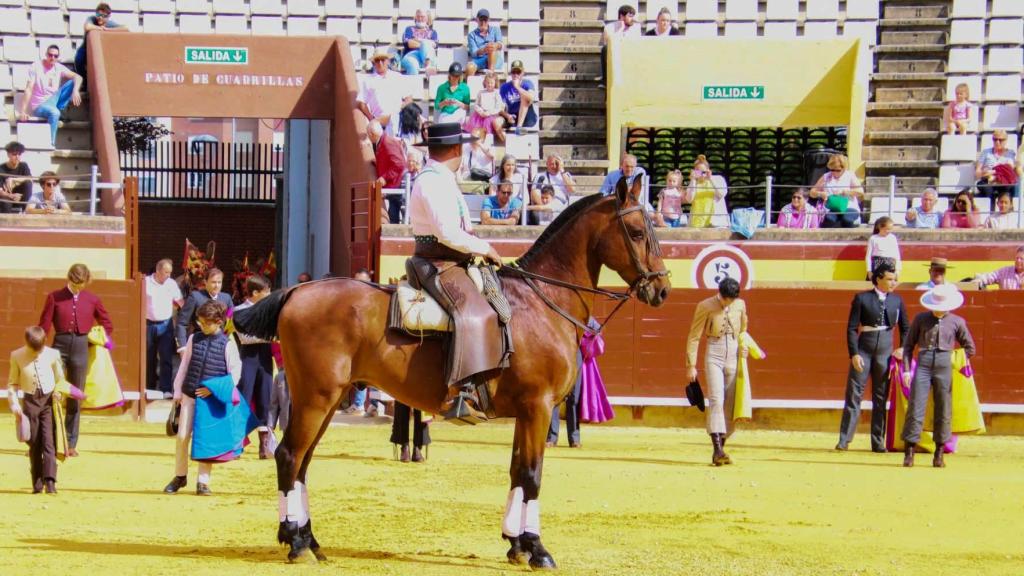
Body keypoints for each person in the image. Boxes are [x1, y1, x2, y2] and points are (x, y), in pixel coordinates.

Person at [407, 122, 503, 423]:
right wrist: (483, 247)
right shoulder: (433, 181)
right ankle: (459, 392)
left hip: (449, 262)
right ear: (456, 150)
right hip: (438, 263)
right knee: (476, 311)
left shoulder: (440, 179)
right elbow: (447, 232)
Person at [164, 301, 246, 496]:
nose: (202, 326)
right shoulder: (194, 338)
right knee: (182, 437)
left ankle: (203, 482)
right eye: (200, 322)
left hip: (210, 400)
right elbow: (184, 366)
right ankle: (180, 475)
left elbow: (235, 373)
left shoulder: (227, 344)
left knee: (205, 440)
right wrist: (177, 392)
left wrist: (214, 390)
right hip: (189, 393)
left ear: (218, 322)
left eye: (206, 323)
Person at [38, 263, 113, 456]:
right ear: (69, 278)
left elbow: (107, 323)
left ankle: (70, 443)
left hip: (81, 347)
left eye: (82, 284)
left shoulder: (92, 299)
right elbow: (44, 325)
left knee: (75, 397)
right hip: (58, 347)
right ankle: (51, 442)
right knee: (53, 394)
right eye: (75, 283)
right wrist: (38, 348)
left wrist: (98, 339)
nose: (79, 288)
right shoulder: (55, 297)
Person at [836, 262, 908, 453]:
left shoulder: (897, 301)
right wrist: (854, 353)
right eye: (890, 279)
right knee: (854, 394)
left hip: (885, 351)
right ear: (878, 279)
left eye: (895, 279)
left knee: (880, 397)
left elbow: (906, 329)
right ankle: (844, 440)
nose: (894, 283)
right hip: (864, 350)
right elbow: (852, 328)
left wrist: (902, 348)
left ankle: (878, 442)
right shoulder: (861, 298)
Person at [901, 284, 976, 468]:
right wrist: (906, 370)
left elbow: (970, 348)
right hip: (924, 364)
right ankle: (909, 452)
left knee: (943, 409)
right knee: (916, 406)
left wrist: (954, 359)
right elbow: (908, 346)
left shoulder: (957, 321)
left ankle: (939, 453)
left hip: (944, 365)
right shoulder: (920, 319)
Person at [686, 278, 748, 466]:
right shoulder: (705, 305)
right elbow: (694, 336)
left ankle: (722, 446)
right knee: (716, 399)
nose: (727, 303)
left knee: (730, 402)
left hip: (734, 354)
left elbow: (743, 330)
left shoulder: (740, 304)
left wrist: (744, 347)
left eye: (731, 300)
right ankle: (717, 450)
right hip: (714, 352)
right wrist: (691, 365)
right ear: (719, 293)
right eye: (725, 299)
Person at [7, 326, 65, 494]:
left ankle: (50, 481)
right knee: (34, 443)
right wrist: (15, 405)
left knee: (48, 442)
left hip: (47, 402)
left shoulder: (53, 354)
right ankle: (37, 483)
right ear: (27, 343)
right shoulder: (17, 355)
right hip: (30, 402)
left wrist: (58, 392)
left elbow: (60, 379)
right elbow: (12, 383)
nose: (38, 353)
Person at [234, 275, 275, 459]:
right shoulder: (239, 311)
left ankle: (264, 444)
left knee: (265, 399)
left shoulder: (269, 311)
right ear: (255, 293)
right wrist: (272, 337)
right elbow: (245, 338)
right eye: (267, 291)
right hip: (247, 359)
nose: (269, 294)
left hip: (265, 358)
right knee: (244, 397)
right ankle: (236, 443)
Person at [18, 44, 83, 146]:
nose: (52, 58)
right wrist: (23, 111)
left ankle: (59, 110)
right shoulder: (36, 66)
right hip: (40, 105)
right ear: (46, 54)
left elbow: (78, 77)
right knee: (54, 113)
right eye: (50, 55)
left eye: (55, 56)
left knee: (72, 82)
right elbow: (29, 88)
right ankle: (50, 142)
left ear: (58, 57)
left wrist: (75, 91)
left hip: (54, 100)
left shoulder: (59, 67)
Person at [146, 258, 184, 398]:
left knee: (166, 357)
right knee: (149, 357)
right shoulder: (145, 283)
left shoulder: (172, 284)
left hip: (166, 324)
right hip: (148, 324)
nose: (168, 275)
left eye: (170, 273)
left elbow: (181, 302)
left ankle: (166, 389)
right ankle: (149, 387)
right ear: (157, 271)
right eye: (166, 272)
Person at [357, 48, 414, 136]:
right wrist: (371, 119)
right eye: (377, 60)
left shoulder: (398, 77)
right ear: (374, 63)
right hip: (379, 122)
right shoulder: (368, 80)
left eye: (382, 60)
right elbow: (361, 103)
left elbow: (409, 98)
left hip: (396, 119)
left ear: (388, 61)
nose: (380, 63)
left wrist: (398, 109)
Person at [176, 268, 234, 353]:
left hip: (220, 344)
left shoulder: (226, 298)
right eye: (213, 282)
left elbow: (231, 322)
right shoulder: (195, 297)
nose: (217, 285)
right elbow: (181, 323)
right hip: (199, 342)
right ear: (205, 282)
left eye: (219, 282)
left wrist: (226, 338)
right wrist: (182, 347)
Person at [75, 3, 127, 91]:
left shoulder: (109, 24)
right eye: (98, 15)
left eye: (104, 16)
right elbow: (87, 26)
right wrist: (100, 28)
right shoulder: (92, 19)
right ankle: (84, 81)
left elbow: (126, 28)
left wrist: (108, 30)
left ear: (108, 17)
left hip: (102, 51)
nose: (100, 17)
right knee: (78, 59)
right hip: (85, 48)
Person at [811, 154, 864, 228]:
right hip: (832, 208)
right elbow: (812, 192)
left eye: (838, 170)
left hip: (849, 206)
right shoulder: (826, 176)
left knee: (847, 219)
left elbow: (860, 191)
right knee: (829, 219)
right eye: (832, 170)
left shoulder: (850, 175)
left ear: (844, 168)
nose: (834, 172)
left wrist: (844, 192)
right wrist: (820, 194)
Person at [599, 4, 640, 86]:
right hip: (615, 55)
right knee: (605, 49)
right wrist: (620, 30)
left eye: (633, 16)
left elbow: (636, 44)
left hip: (629, 54)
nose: (632, 19)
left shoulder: (636, 27)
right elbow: (609, 43)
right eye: (630, 16)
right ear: (622, 16)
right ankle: (606, 81)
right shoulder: (609, 27)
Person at [685, 155, 729, 229]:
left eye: (704, 172)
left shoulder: (718, 179)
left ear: (708, 170)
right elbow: (689, 199)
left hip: (716, 223)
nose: (701, 174)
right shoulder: (693, 183)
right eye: (698, 172)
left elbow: (721, 194)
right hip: (697, 223)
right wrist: (693, 180)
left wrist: (710, 179)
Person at [976, 128, 1016, 202]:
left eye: (1001, 140)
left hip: (1003, 181)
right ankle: (990, 209)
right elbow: (978, 172)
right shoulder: (986, 152)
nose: (997, 142)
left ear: (1006, 140)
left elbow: (1010, 170)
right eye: (995, 139)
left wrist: (993, 172)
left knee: (1008, 187)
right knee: (985, 188)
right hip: (987, 180)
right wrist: (983, 173)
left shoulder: (1010, 153)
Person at [465, 71, 506, 142]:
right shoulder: (481, 92)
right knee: (475, 127)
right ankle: (477, 140)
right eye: (488, 83)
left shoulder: (496, 93)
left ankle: (487, 141)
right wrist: (481, 112)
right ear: (485, 83)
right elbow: (476, 104)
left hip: (491, 115)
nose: (490, 85)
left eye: (492, 83)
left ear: (495, 83)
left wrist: (489, 113)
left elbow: (498, 107)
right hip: (480, 115)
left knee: (487, 124)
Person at [498, 60, 537, 132]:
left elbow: (531, 98)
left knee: (525, 97)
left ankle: (519, 127)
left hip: (527, 117)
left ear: (522, 73)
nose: (516, 75)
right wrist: (507, 116)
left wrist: (517, 87)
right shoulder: (504, 87)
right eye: (513, 72)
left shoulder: (528, 83)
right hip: (512, 116)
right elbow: (499, 107)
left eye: (518, 72)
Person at [369, 119, 406, 189]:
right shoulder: (383, 141)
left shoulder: (387, 143)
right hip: (390, 187)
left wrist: (385, 178)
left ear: (372, 134)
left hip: (394, 188)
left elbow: (399, 164)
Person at [465, 8, 504, 77]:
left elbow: (500, 44)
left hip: (495, 59)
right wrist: (484, 49)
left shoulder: (496, 30)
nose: (483, 22)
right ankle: (469, 86)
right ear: (477, 20)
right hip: (480, 60)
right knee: (469, 68)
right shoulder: (471, 35)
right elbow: (474, 53)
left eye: (485, 20)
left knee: (491, 49)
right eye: (481, 20)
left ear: (489, 20)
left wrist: (495, 45)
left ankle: (490, 76)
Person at [400, 9, 437, 76]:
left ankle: (428, 65)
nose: (420, 19)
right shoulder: (409, 29)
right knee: (413, 64)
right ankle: (413, 86)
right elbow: (409, 44)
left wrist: (416, 39)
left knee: (426, 44)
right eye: (418, 16)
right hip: (411, 55)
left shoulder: (433, 32)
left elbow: (434, 45)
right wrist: (424, 45)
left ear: (427, 18)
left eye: (422, 17)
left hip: (427, 56)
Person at [0, 141, 32, 213]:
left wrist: (14, 180)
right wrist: (10, 196)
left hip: (21, 197)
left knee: (28, 183)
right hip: (7, 197)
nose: (17, 157)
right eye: (14, 154)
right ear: (8, 155)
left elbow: (30, 179)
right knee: (5, 202)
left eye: (19, 154)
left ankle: (25, 212)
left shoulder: (23, 165)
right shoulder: (1, 169)